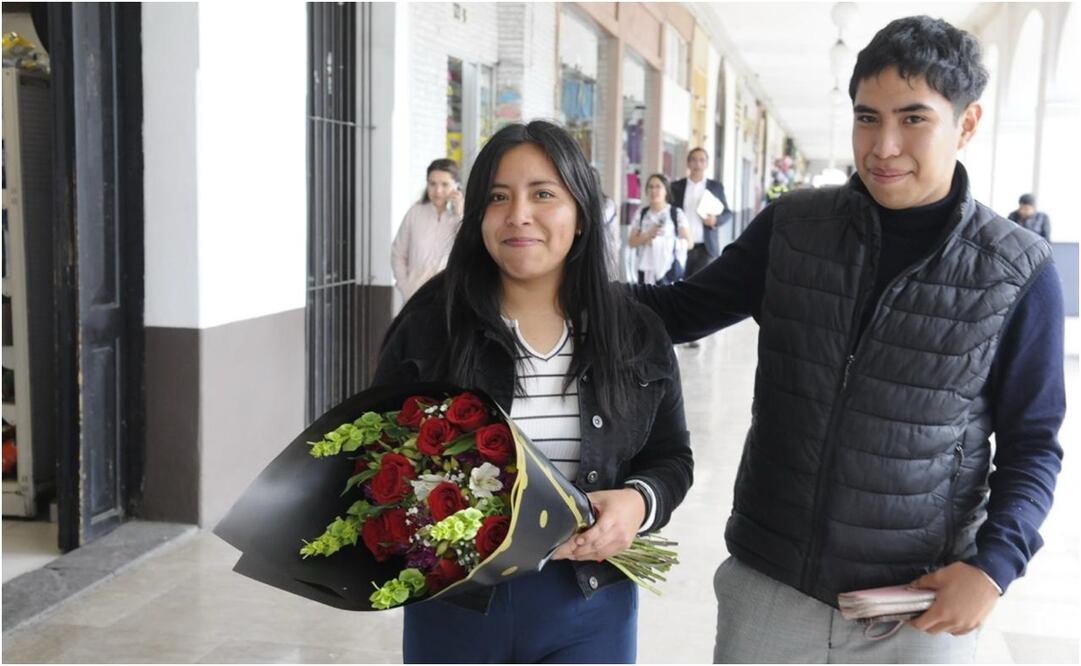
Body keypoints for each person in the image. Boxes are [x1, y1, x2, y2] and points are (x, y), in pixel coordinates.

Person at [632, 16, 1064, 663]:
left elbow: (1032, 445)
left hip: (917, 603)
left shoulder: (1015, 269)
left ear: (966, 124)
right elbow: (676, 311)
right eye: (867, 118)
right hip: (772, 584)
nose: (883, 146)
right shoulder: (792, 228)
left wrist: (993, 567)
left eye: (912, 118)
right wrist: (546, 276)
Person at [373, 120, 693, 663]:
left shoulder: (635, 331)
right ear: (478, 216)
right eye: (498, 197)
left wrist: (639, 502)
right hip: (455, 601)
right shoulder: (431, 321)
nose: (518, 214)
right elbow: (380, 451)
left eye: (543, 193)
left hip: (589, 606)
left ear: (581, 211)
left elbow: (671, 457)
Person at [391, 158, 464, 302]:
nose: (438, 190)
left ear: (456, 186)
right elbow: (398, 253)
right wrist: (406, 287)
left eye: (445, 184)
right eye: (432, 184)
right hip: (415, 297)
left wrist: (460, 215)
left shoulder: (462, 217)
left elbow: (467, 254)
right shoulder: (415, 212)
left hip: (450, 299)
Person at [670, 147, 732, 277]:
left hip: (706, 246)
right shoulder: (676, 187)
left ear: (707, 164)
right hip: (682, 244)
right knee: (681, 284)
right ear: (688, 163)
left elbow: (727, 213)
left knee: (700, 285)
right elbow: (670, 211)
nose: (697, 164)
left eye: (702, 160)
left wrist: (715, 220)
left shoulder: (715, 187)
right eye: (694, 160)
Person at [628, 174, 692, 285]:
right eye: (651, 187)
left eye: (658, 187)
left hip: (669, 270)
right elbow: (631, 242)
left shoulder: (676, 213)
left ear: (666, 190)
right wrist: (647, 235)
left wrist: (663, 243)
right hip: (645, 269)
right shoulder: (642, 213)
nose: (654, 190)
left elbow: (689, 243)